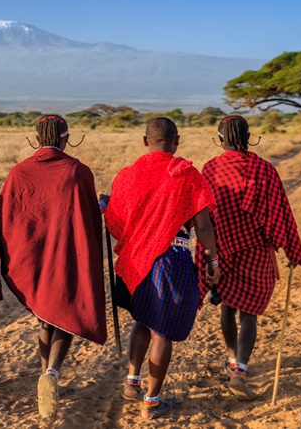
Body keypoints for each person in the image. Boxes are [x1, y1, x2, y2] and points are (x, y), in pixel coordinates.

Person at [102, 117, 220, 419]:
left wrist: (107, 207)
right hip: (171, 260)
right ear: (176, 141)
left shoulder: (128, 175)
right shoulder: (188, 175)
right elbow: (203, 227)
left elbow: (115, 223)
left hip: (137, 259)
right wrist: (212, 260)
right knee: (162, 331)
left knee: (143, 320)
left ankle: (132, 383)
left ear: (145, 141)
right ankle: (152, 402)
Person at [0, 115, 107, 419]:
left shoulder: (18, 172)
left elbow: (5, 220)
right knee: (67, 314)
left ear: (36, 139)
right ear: (65, 138)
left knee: (47, 316)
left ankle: (46, 374)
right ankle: (53, 374)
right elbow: (87, 218)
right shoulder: (77, 171)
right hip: (67, 256)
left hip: (32, 258)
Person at [198, 115, 301, 401]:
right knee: (249, 314)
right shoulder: (265, 169)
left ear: (220, 137)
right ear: (248, 136)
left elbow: (204, 217)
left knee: (228, 308)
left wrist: (210, 258)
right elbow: (281, 213)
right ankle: (240, 371)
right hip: (257, 252)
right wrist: (290, 248)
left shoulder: (211, 168)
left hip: (222, 252)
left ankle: (233, 359)